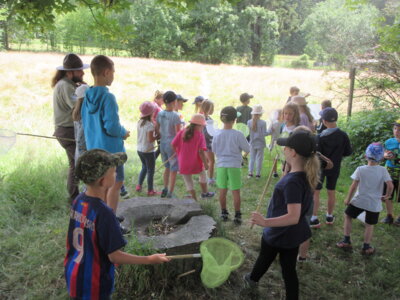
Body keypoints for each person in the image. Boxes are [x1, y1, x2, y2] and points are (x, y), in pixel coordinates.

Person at [64, 149, 169, 300]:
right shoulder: (104, 213)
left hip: (74, 274)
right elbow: (115, 257)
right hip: (94, 285)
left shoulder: (78, 200)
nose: (116, 174)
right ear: (103, 181)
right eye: (114, 172)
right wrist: (149, 259)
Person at [245, 130, 320, 300]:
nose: (283, 149)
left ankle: (252, 279)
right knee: (288, 268)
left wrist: (265, 222)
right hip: (292, 235)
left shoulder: (292, 182)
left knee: (265, 256)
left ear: (292, 152)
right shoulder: (303, 175)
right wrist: (287, 170)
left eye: (285, 147)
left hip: (278, 232)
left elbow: (293, 216)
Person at [81, 55, 130, 216]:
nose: (113, 76)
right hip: (111, 150)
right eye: (113, 72)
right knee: (116, 183)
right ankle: (110, 221)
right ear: (106, 72)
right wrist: (124, 133)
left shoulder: (87, 95)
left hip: (94, 148)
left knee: (101, 186)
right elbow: (111, 126)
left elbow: (85, 122)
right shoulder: (108, 97)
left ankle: (100, 218)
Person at [336, 143, 393, 255]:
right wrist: (387, 195)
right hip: (374, 204)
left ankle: (346, 240)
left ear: (365, 156)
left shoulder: (360, 169)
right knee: (369, 225)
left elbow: (353, 186)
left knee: (348, 216)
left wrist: (348, 198)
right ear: (381, 158)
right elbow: (390, 185)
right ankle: (366, 247)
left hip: (359, 201)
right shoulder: (383, 170)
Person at [52, 53, 89, 203]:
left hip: (66, 128)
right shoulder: (66, 85)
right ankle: (74, 198)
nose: (82, 73)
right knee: (76, 163)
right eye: (79, 71)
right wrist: (84, 95)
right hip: (67, 129)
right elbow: (77, 108)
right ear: (69, 72)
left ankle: (76, 196)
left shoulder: (68, 84)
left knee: (75, 162)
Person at [311, 107, 352, 228]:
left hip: (320, 168)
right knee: (331, 190)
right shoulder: (343, 135)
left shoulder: (320, 136)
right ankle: (329, 215)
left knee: (316, 192)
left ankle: (314, 217)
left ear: (323, 121)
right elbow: (348, 152)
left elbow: (316, 154)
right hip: (335, 167)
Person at [212, 106, 250, 225]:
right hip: (234, 166)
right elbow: (248, 148)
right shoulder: (238, 134)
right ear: (235, 120)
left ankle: (224, 212)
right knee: (235, 192)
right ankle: (237, 215)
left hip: (221, 165)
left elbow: (214, 149)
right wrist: (242, 155)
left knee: (222, 190)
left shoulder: (217, 134)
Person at [172, 114, 215, 200]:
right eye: (203, 126)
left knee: (188, 181)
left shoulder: (182, 132)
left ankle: (194, 198)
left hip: (183, 162)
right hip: (195, 162)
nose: (203, 128)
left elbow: (173, 144)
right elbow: (201, 151)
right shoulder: (199, 135)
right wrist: (206, 164)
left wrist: (178, 153)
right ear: (199, 125)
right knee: (203, 175)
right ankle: (205, 193)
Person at [156, 91, 181, 198]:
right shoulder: (176, 116)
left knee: (167, 167)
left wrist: (159, 136)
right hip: (172, 145)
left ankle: (165, 188)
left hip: (163, 143)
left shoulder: (160, 113)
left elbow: (157, 128)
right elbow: (178, 134)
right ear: (174, 102)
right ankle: (170, 193)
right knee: (174, 169)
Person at [136, 101, 160, 196]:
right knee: (150, 170)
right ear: (152, 113)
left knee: (144, 167)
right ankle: (150, 190)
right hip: (148, 151)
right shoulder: (149, 125)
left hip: (140, 150)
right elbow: (150, 139)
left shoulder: (140, 122)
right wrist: (158, 136)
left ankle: (139, 185)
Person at [381, 119, 400, 224]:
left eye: (399, 130)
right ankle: (389, 216)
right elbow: (383, 153)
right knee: (388, 194)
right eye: (395, 129)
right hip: (389, 172)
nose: (397, 131)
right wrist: (385, 155)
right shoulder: (389, 142)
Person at [247, 104, 268, 179]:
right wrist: (271, 131)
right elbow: (264, 133)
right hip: (261, 143)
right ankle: (258, 174)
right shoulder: (263, 123)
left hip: (252, 143)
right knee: (259, 158)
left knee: (252, 158)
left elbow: (249, 132)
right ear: (261, 114)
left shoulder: (249, 122)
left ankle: (250, 173)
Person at [72, 84, 89, 163]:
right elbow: (80, 141)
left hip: (79, 154)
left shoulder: (76, 112)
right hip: (84, 155)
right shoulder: (85, 115)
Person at [200, 99, 216, 185]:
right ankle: (210, 178)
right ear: (208, 108)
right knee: (211, 161)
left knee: (206, 161)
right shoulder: (205, 119)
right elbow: (207, 133)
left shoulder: (205, 118)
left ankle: (205, 177)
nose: (213, 109)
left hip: (205, 143)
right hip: (208, 143)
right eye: (212, 108)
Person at [268, 109, 284, 178]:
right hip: (282, 143)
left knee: (275, 159)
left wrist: (271, 128)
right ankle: (284, 171)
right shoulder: (285, 123)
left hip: (275, 142)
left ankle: (275, 172)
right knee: (283, 158)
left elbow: (268, 132)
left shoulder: (275, 123)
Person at [152, 90, 164, 160]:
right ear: (158, 98)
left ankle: (152, 160)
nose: (164, 101)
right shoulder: (155, 106)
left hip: (160, 129)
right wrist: (156, 128)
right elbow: (152, 118)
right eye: (162, 99)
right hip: (157, 129)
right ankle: (152, 160)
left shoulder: (159, 106)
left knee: (160, 147)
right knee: (160, 147)